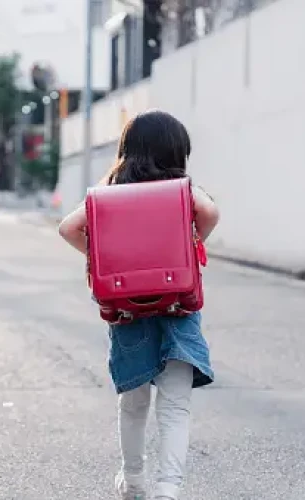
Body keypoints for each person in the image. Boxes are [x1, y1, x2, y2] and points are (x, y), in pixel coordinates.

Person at [58, 110, 220, 500]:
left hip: (128, 311)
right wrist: (193, 239)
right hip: (178, 309)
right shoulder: (181, 192)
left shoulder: (109, 195)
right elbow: (210, 212)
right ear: (176, 153)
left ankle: (133, 481)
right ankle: (168, 489)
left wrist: (99, 257)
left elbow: (68, 227)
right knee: (175, 406)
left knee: (133, 402)